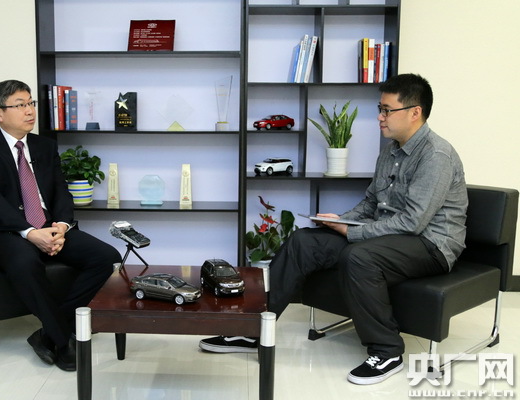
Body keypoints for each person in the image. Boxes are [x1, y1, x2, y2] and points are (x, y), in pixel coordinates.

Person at [199, 73, 467, 385]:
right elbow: (371, 203)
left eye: (387, 110)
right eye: (379, 109)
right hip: (389, 236)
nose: (380, 117)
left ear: (414, 112)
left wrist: (350, 233)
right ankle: (253, 330)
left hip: (430, 244)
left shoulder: (436, 155)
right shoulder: (390, 151)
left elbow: (412, 223)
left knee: (359, 256)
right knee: (303, 241)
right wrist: (339, 221)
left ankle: (387, 350)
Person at [0, 80, 122, 371]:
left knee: (106, 257)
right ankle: (61, 339)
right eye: (20, 105)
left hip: (49, 225)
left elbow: (60, 191)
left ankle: (48, 330)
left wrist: (61, 227)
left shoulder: (45, 146)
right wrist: (30, 233)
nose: (30, 111)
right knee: (25, 261)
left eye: (30, 103)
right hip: (4, 231)